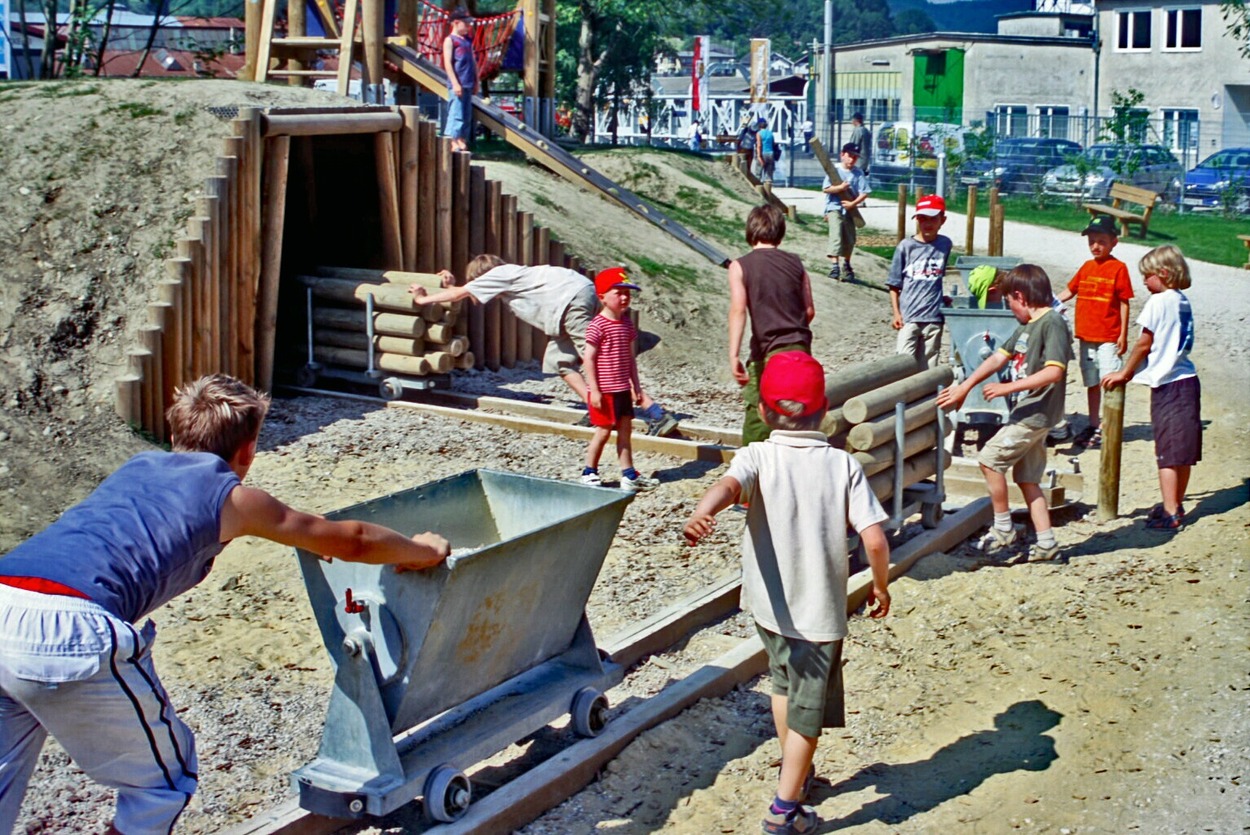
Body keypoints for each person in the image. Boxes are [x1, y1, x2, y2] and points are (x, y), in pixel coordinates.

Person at [0, 374, 450, 835]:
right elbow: (352, 540)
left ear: (175, 433)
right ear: (248, 450)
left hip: (5, 599)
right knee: (163, 784)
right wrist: (423, 551)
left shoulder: (138, 467)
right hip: (68, 623)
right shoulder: (233, 498)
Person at [683, 351, 891, 835]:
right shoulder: (841, 464)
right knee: (807, 713)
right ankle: (783, 811)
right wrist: (880, 585)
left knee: (783, 685)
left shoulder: (757, 455)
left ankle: (796, 772)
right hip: (816, 616)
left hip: (767, 608)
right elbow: (875, 539)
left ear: (762, 410)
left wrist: (702, 511)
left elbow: (727, 486)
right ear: (826, 410)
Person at [408, 255, 681, 436]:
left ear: (482, 275)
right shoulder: (511, 275)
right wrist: (453, 285)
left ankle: (656, 413)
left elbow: (462, 294)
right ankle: (597, 409)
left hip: (569, 301)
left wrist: (423, 299)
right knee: (558, 361)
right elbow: (472, 296)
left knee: (600, 361)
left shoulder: (499, 274)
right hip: (573, 297)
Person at [936, 264, 1073, 562]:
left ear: (1020, 296)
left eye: (1009, 301)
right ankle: (1047, 543)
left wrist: (1007, 388)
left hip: (1036, 412)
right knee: (1028, 480)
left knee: (989, 460)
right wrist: (965, 386)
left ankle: (1002, 530)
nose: (1008, 308)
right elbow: (998, 358)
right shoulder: (1027, 325)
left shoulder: (1052, 323)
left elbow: (1054, 372)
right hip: (1028, 410)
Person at [1100, 245, 1200, 532]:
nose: (1144, 282)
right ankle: (1176, 502)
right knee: (1183, 451)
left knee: (1167, 452)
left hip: (1167, 383)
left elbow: (1144, 342)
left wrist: (1125, 372)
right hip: (1187, 379)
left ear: (1163, 273)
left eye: (1147, 276)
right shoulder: (1182, 300)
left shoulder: (1158, 302)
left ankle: (1170, 511)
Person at [727, 204, 815, 445]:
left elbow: (738, 310)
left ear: (750, 231)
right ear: (780, 231)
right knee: (794, 413)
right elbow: (809, 310)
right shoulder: (796, 263)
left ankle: (755, 464)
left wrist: (733, 355)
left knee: (759, 414)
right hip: (800, 349)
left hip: (767, 351)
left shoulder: (739, 266)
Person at [1054, 215, 1133, 450]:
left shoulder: (1119, 268)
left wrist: (1123, 334)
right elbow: (1069, 291)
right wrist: (1048, 304)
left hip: (1108, 336)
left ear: (1114, 242)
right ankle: (1093, 423)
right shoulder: (1087, 267)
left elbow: (1124, 302)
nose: (1096, 246)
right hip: (1087, 336)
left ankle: (1109, 425)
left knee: (1109, 381)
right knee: (1092, 382)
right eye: (1091, 241)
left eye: (1101, 241)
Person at [580, 268, 661, 491]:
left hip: (622, 388)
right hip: (604, 390)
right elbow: (588, 358)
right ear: (602, 297)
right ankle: (589, 471)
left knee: (625, 431)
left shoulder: (627, 324)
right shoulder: (598, 325)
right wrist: (594, 390)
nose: (624, 297)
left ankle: (629, 474)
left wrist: (637, 387)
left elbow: (630, 359)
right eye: (618, 293)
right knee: (603, 431)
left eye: (627, 293)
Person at [887, 194, 952, 368]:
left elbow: (936, 278)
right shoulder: (906, 247)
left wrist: (942, 298)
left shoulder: (945, 245)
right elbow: (894, 284)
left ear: (942, 220)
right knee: (903, 363)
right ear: (917, 220)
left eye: (933, 219)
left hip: (933, 317)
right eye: (922, 219)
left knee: (929, 365)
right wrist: (896, 313)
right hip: (909, 316)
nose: (927, 224)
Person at [821, 142, 870, 282]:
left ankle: (846, 264)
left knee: (849, 238)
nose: (852, 159)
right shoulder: (834, 170)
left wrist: (853, 204)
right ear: (842, 154)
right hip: (834, 207)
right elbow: (826, 189)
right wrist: (840, 188)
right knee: (836, 235)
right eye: (850, 156)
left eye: (855, 157)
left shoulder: (858, 173)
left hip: (850, 209)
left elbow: (865, 192)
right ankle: (834, 266)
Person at [442, 8, 478, 153]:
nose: (468, 27)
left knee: (466, 113)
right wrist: (455, 83)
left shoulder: (467, 41)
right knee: (456, 111)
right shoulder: (450, 40)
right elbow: (448, 63)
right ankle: (452, 138)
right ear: (456, 23)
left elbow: (473, 62)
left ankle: (462, 137)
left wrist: (477, 81)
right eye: (466, 24)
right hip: (458, 82)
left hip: (468, 82)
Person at [756, 117, 777, 185]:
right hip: (770, 153)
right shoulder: (770, 133)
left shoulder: (759, 133)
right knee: (769, 172)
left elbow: (759, 145)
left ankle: (758, 185)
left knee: (758, 171)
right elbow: (773, 143)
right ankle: (768, 186)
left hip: (763, 153)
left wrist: (758, 156)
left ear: (759, 125)